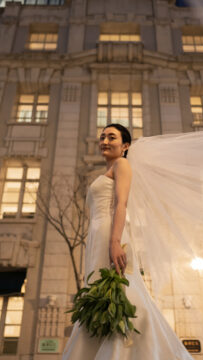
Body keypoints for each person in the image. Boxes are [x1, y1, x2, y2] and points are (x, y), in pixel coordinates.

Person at [62, 123, 193, 360]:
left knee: (122, 292)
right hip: (96, 236)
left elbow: (120, 204)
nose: (104, 141)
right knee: (103, 293)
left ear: (125, 146)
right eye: (102, 136)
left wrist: (114, 242)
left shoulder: (122, 164)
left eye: (112, 137)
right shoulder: (108, 170)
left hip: (111, 234)